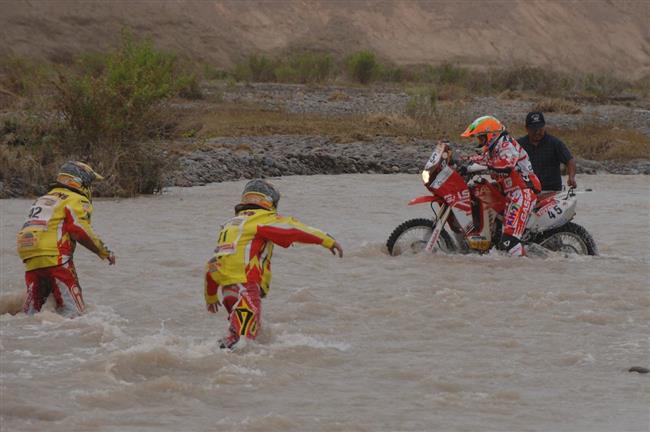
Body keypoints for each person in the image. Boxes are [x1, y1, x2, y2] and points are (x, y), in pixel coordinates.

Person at [204, 179, 343, 350]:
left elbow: (212, 263)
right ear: (270, 201)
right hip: (246, 288)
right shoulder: (263, 219)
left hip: (227, 291)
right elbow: (293, 230)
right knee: (243, 344)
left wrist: (211, 295)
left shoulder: (230, 225)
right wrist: (327, 240)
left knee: (247, 337)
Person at [16, 161, 116, 317]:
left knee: (33, 312)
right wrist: (104, 252)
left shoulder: (44, 198)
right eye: (90, 184)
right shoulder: (76, 199)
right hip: (56, 255)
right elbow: (80, 230)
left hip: (29, 254)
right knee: (76, 313)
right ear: (80, 182)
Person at [461, 115, 541, 256]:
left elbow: (507, 164)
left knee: (508, 242)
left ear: (490, 135)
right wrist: (460, 162)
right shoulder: (494, 148)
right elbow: (480, 159)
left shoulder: (506, 144)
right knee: (479, 191)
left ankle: (526, 268)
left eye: (481, 138)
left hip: (522, 192)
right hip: (507, 192)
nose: (479, 142)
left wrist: (478, 166)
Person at [518, 111, 577, 192]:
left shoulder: (555, 143)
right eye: (534, 129)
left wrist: (571, 177)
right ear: (526, 128)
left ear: (544, 127)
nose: (537, 132)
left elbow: (570, 161)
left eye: (540, 129)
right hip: (528, 190)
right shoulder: (518, 145)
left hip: (552, 190)